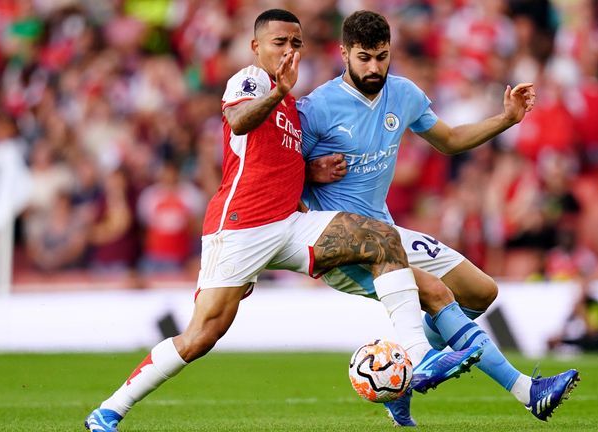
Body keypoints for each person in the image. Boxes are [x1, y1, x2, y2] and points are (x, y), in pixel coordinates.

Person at [84, 9, 480, 432]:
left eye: (296, 43)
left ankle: (418, 357)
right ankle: (110, 409)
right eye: (279, 42)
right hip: (240, 228)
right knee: (201, 335)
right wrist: (276, 94)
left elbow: (270, 157)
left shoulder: (292, 103)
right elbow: (238, 121)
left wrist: (310, 170)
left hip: (288, 225)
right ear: (257, 47)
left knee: (380, 237)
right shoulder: (252, 81)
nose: (289, 50)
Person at [299, 10, 579, 426]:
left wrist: (506, 119)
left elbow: (448, 140)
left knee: (481, 292)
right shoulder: (317, 108)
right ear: (343, 53)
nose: (374, 67)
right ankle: (527, 391)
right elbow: (281, 172)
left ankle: (401, 377)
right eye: (364, 58)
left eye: (382, 56)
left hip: (386, 233)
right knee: (433, 292)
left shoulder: (404, 94)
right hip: (342, 243)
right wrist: (309, 172)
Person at [547, 275, 598, 354]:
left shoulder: (595, 305)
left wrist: (582, 313)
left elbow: (595, 333)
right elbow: (567, 327)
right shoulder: (576, 306)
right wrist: (558, 338)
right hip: (583, 340)